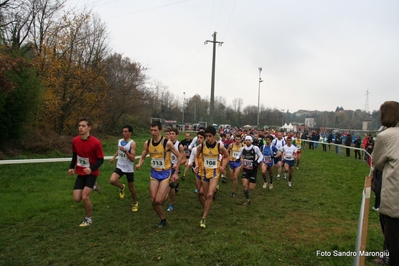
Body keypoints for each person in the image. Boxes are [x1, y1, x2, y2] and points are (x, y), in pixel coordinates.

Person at [135, 121, 182, 227]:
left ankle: (168, 188)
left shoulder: (167, 143)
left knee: (159, 201)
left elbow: (179, 156)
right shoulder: (148, 143)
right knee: (153, 200)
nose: (153, 132)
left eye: (155, 130)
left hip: (165, 173)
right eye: (151, 130)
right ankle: (163, 219)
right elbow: (143, 155)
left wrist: (176, 172)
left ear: (160, 130)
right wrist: (139, 164)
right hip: (154, 173)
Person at [372, 101, 399, 265]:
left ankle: (389, 257)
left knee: (393, 237)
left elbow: (378, 162)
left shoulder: (385, 136)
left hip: (394, 197)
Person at [68, 117, 104, 227]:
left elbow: (101, 159)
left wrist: (91, 168)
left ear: (89, 128)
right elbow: (75, 155)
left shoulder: (96, 143)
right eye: (79, 126)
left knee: (85, 197)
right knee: (76, 198)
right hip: (80, 172)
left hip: (91, 173)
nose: (80, 128)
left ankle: (88, 218)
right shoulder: (75, 140)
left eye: (83, 126)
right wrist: (71, 167)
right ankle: (93, 186)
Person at [194, 126, 229, 229]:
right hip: (204, 174)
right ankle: (207, 208)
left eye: (210, 136)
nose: (208, 138)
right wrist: (196, 165)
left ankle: (203, 218)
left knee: (209, 195)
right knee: (205, 196)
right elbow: (196, 156)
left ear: (214, 136)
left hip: (215, 173)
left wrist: (223, 166)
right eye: (207, 136)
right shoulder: (201, 146)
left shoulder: (219, 146)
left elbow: (227, 156)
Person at [109, 125, 138, 212]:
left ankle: (135, 202)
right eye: (123, 131)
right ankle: (121, 187)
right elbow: (119, 150)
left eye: (126, 132)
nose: (124, 133)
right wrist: (113, 158)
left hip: (129, 169)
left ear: (130, 133)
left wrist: (125, 151)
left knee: (131, 188)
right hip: (120, 166)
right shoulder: (120, 141)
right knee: (112, 180)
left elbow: (133, 159)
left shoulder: (132, 143)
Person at [235, 136, 263, 204]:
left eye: (249, 140)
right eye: (246, 140)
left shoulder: (255, 148)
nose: (247, 141)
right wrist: (237, 158)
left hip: (253, 169)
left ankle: (252, 180)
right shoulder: (243, 148)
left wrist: (257, 162)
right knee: (244, 185)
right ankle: (248, 199)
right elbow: (238, 155)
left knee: (251, 188)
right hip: (245, 169)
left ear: (251, 141)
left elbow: (261, 156)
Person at [166, 128, 186, 212]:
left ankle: (171, 204)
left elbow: (184, 160)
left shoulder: (179, 146)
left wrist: (177, 165)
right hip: (166, 167)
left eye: (173, 133)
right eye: (170, 133)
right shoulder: (166, 144)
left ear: (177, 135)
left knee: (170, 186)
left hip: (174, 168)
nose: (171, 135)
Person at [188, 131, 206, 206]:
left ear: (204, 139)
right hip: (199, 172)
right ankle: (206, 206)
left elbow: (219, 157)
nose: (199, 139)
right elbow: (191, 159)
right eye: (198, 137)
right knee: (200, 192)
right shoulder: (195, 149)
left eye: (201, 138)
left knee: (203, 192)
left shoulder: (209, 148)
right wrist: (190, 163)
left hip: (208, 172)